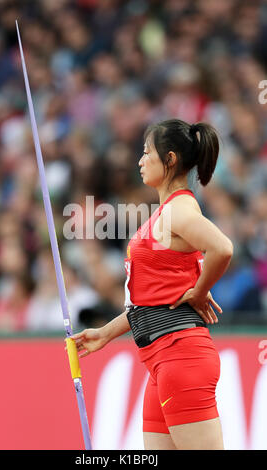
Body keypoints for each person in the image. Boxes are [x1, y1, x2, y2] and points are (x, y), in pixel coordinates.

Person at [71, 119, 233, 450]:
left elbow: (223, 248)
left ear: (170, 159)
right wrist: (106, 332)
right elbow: (152, 298)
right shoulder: (162, 215)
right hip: (160, 362)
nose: (140, 161)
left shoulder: (178, 211)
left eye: (147, 153)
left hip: (181, 357)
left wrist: (200, 290)